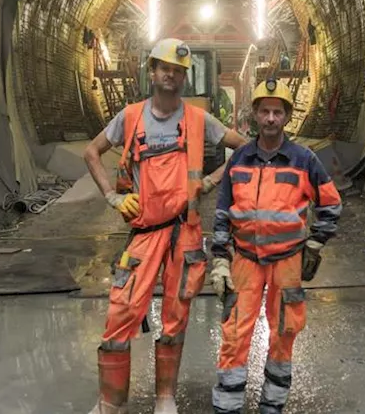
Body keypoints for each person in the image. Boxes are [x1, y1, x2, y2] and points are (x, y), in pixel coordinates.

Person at [83, 37, 247, 414]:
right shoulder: (130, 117)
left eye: (178, 71)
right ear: (152, 71)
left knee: (176, 316)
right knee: (121, 312)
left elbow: (244, 147)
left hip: (183, 233)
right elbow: (91, 152)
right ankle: (110, 402)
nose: (171, 75)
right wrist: (112, 196)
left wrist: (208, 181)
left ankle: (165, 398)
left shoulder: (197, 119)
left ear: (184, 78)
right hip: (143, 235)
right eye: (165, 68)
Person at [208, 79, 343, 414]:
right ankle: (227, 407)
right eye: (264, 111)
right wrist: (221, 261)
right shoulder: (239, 159)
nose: (270, 118)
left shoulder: (303, 160)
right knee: (235, 334)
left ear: (286, 117)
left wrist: (313, 243)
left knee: (284, 333)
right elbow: (223, 212)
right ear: (255, 114)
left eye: (277, 112)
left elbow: (331, 204)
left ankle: (273, 406)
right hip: (246, 260)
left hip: (287, 261)